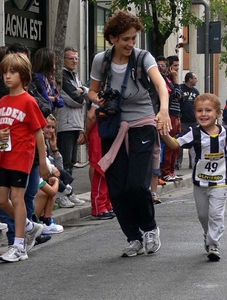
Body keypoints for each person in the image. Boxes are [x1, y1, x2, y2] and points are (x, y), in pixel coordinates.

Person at [88, 10, 171, 257]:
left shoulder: (143, 58)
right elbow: (92, 92)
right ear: (112, 38)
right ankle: (133, 237)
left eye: (134, 38)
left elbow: (160, 85)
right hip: (114, 124)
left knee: (136, 185)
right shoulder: (100, 60)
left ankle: (149, 228)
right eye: (125, 39)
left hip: (143, 123)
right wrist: (100, 101)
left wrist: (164, 110)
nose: (130, 44)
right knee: (117, 188)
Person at [160, 93, 227, 261]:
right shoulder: (193, 133)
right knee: (203, 215)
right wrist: (164, 133)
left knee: (216, 214)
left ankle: (213, 244)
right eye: (199, 111)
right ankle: (208, 234)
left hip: (221, 179)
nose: (203, 114)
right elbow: (175, 144)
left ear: (218, 113)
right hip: (200, 181)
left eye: (208, 110)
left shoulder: (225, 131)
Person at [0, 53, 49, 262]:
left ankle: (19, 245)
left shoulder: (29, 101)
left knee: (17, 198)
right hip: (4, 156)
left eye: (13, 72)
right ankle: (29, 226)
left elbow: (39, 132)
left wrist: (42, 161)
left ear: (23, 75)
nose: (7, 76)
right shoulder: (4, 100)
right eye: (5, 72)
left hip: (22, 156)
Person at [77, 105, 115, 219]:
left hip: (106, 131)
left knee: (107, 170)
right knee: (100, 170)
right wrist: (86, 133)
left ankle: (106, 203)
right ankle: (99, 207)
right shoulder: (101, 94)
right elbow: (91, 116)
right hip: (100, 132)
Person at [57, 46, 88, 176]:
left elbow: (83, 93)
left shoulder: (74, 75)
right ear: (63, 60)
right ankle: (62, 192)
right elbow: (76, 99)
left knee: (72, 161)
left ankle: (68, 191)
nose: (75, 61)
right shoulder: (62, 76)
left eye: (76, 58)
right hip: (66, 124)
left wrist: (83, 90)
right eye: (71, 58)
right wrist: (82, 92)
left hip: (75, 123)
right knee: (65, 160)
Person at [156, 56, 182, 182]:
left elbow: (180, 96)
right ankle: (166, 171)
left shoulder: (168, 80)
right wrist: (176, 80)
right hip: (169, 114)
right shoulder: (163, 81)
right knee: (169, 144)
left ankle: (171, 171)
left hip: (176, 114)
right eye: (175, 66)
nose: (177, 69)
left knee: (175, 144)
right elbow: (177, 95)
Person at [177, 72, 199, 169]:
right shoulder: (181, 88)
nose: (196, 80)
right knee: (179, 141)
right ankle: (177, 163)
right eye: (195, 78)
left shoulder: (196, 92)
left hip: (193, 120)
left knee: (194, 142)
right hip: (182, 120)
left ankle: (193, 163)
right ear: (190, 79)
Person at [31, 47, 64, 112]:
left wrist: (54, 99)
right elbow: (47, 102)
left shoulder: (50, 79)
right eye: (54, 60)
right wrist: (54, 99)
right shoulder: (38, 77)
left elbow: (62, 102)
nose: (55, 62)